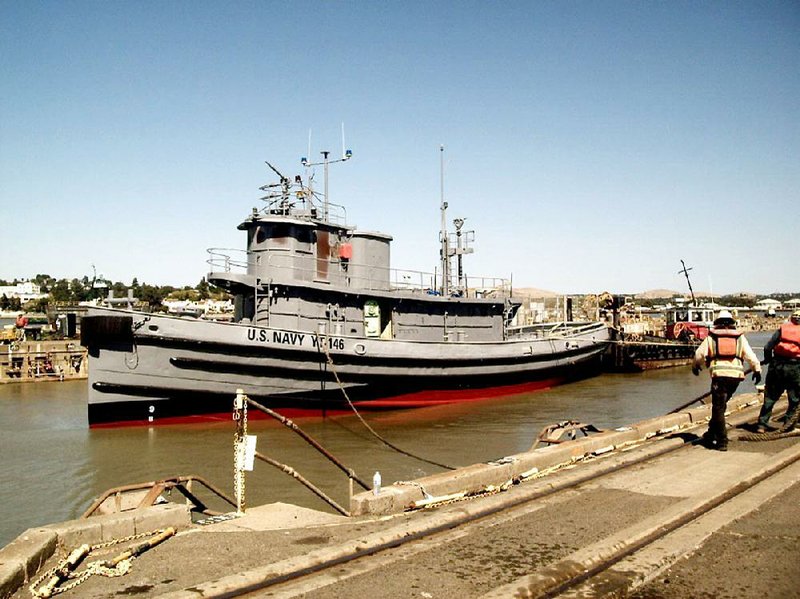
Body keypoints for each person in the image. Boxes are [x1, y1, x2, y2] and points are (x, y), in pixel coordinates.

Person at [692, 310, 761, 450]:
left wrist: (695, 366)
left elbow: (699, 354)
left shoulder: (712, 337)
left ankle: (722, 440)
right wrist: (757, 370)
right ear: (732, 323)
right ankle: (711, 434)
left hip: (719, 376)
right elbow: (751, 356)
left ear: (717, 323)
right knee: (721, 407)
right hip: (735, 379)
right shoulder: (740, 338)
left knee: (717, 408)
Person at [756, 309, 800, 433]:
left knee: (770, 396)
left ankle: (762, 425)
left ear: (792, 319)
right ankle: (788, 425)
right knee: (795, 398)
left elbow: (767, 347)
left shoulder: (783, 329)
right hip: (795, 367)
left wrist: (768, 360)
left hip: (777, 365)